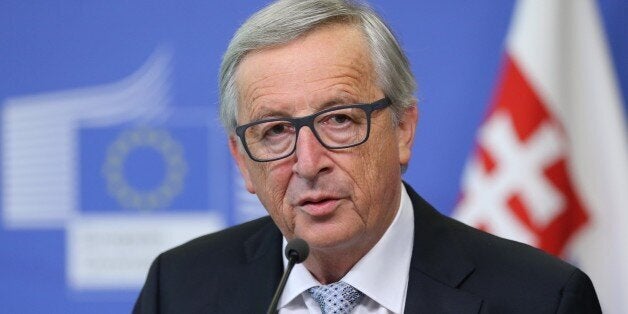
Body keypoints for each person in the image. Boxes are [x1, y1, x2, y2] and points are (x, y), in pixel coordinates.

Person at [134, 0, 601, 313]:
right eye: (275, 130)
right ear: (242, 160)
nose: (308, 161)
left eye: (339, 119)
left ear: (402, 130)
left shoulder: (541, 299)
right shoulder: (178, 290)